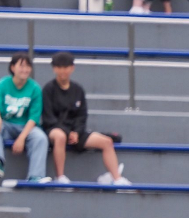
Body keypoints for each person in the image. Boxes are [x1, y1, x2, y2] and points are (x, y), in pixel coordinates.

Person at [42, 52, 129, 186]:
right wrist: (66, 132)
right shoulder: (48, 89)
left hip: (76, 132)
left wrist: (76, 132)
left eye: (66, 67)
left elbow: (82, 115)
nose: (62, 71)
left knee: (106, 141)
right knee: (60, 137)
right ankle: (60, 177)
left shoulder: (78, 90)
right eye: (59, 67)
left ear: (72, 68)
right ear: (54, 69)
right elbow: (48, 118)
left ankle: (117, 179)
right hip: (55, 130)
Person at [0, 53, 49, 184]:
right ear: (13, 67)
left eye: (28, 66)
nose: (25, 70)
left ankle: (36, 176)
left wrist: (22, 138)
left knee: (40, 138)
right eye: (21, 66)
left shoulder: (35, 88)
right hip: (7, 124)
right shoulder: (3, 84)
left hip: (26, 127)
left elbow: (34, 118)